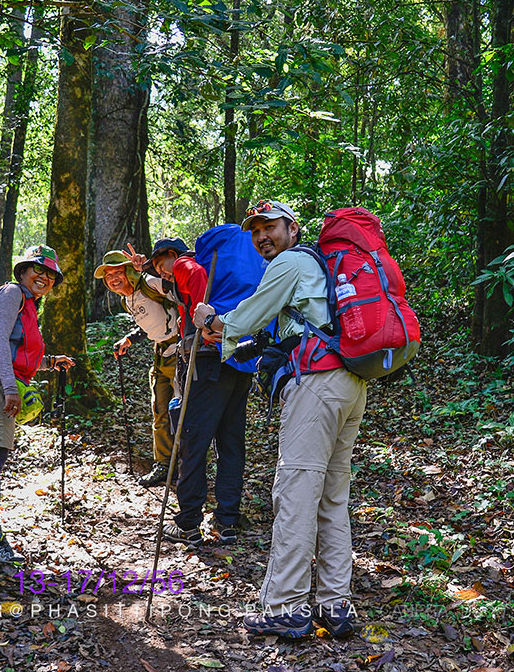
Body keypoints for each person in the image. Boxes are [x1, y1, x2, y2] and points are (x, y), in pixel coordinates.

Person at [193, 200, 363, 639]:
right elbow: (285, 327)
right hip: (349, 384)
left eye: (270, 227)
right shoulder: (320, 264)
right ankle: (335, 604)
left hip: (317, 385)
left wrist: (212, 319)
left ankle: (286, 607)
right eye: (255, 231)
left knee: (296, 495)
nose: (262, 236)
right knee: (331, 498)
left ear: (292, 228)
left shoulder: (289, 262)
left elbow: (248, 315)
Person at [0, 244, 75, 566]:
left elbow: (16, 349)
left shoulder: (26, 303)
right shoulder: (12, 293)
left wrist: (49, 362)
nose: (44, 277)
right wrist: (10, 388)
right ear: (23, 271)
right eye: (38, 269)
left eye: (50, 274)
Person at [149, 230, 261, 547]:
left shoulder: (184, 264)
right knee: (230, 443)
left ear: (173, 255)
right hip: (238, 359)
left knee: (193, 442)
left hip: (207, 361)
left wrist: (204, 318)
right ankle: (227, 521)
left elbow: (196, 281)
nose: (162, 271)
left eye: (161, 264)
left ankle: (188, 524)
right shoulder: (221, 272)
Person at [95, 248, 181, 488]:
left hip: (180, 351)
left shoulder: (150, 283)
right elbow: (150, 323)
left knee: (181, 411)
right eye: (108, 275)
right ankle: (164, 465)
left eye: (118, 272)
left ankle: (189, 465)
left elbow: (181, 294)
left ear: (129, 272)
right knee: (160, 412)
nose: (113, 279)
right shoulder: (126, 300)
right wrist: (130, 339)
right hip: (160, 355)